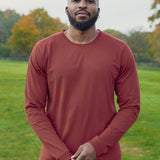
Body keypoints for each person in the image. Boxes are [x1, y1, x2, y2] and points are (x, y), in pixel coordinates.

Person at [25, 0, 140, 160]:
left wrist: (97, 146)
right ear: (67, 8)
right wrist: (63, 154)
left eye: (90, 1)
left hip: (104, 155)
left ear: (98, 10)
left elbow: (131, 107)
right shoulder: (44, 49)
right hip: (55, 156)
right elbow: (33, 107)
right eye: (76, 1)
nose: (82, 5)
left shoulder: (120, 51)